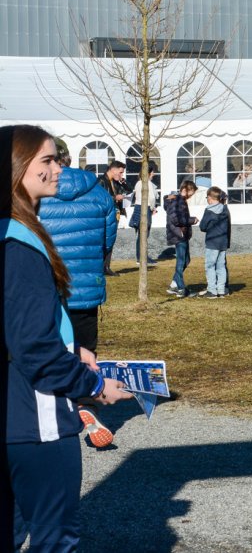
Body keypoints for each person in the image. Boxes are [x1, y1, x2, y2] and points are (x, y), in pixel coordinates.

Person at [2, 124, 132, 550]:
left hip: (18, 411)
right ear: (17, 167)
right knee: (55, 539)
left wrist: (72, 347)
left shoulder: (15, 232)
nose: (59, 168)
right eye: (48, 160)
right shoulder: (19, 245)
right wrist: (93, 386)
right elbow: (34, 349)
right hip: (34, 419)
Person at [38, 159, 119, 447]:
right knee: (87, 348)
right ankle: (86, 401)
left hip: (49, 282)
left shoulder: (38, 191)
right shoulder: (99, 192)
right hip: (85, 283)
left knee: (52, 345)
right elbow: (108, 239)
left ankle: (57, 405)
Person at [163, 180, 199, 298]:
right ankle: (181, 288)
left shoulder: (179, 200)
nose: (191, 196)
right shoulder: (177, 200)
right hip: (179, 234)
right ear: (186, 189)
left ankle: (174, 285)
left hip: (181, 234)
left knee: (186, 260)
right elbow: (176, 219)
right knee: (181, 261)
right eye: (192, 192)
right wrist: (192, 220)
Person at [96, 160, 128, 275]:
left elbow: (128, 190)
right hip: (105, 215)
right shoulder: (101, 181)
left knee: (111, 240)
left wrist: (123, 183)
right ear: (113, 170)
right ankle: (101, 267)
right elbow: (99, 198)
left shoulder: (115, 182)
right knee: (103, 240)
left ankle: (107, 267)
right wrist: (115, 198)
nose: (121, 175)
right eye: (120, 172)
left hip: (114, 214)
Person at [199, 186, 231, 297]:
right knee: (221, 266)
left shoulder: (209, 210)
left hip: (212, 241)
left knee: (210, 266)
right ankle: (221, 290)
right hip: (223, 242)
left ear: (210, 198)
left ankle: (212, 290)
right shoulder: (225, 209)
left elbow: (202, 226)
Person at [127, 160, 158, 266]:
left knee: (140, 234)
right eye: (152, 172)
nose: (153, 174)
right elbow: (152, 198)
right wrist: (153, 208)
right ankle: (142, 257)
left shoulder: (138, 183)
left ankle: (140, 257)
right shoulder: (147, 183)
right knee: (144, 234)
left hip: (138, 207)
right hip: (145, 208)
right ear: (148, 173)